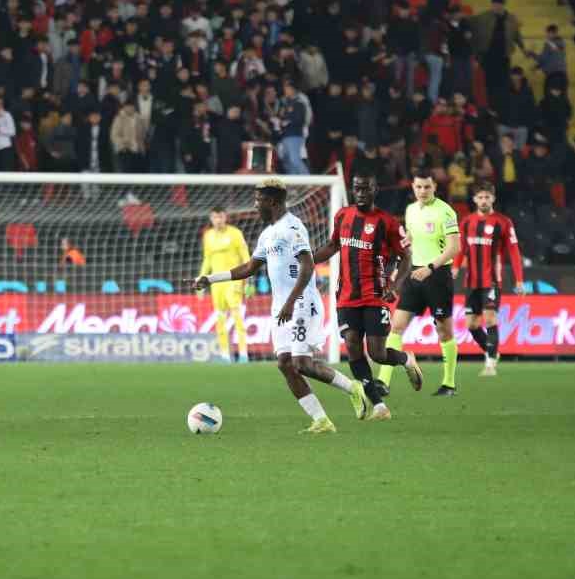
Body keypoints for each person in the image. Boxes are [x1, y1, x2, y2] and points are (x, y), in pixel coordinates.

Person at [193, 177, 370, 433]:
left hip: (301, 303)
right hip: (281, 307)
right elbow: (249, 268)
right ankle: (321, 420)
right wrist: (210, 278)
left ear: (273, 202)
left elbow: (308, 265)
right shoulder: (267, 234)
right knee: (285, 364)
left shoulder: (293, 228)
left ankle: (353, 387)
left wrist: (290, 301)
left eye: (259, 201)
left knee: (301, 363)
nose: (255, 206)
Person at [309, 167, 423, 419]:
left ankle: (406, 360)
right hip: (346, 296)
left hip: (375, 296)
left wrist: (394, 286)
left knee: (377, 353)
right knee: (352, 346)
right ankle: (379, 406)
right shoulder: (342, 216)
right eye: (356, 188)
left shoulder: (387, 222)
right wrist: (307, 261)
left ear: (375, 190)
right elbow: (332, 246)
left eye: (365, 188)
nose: (360, 193)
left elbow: (406, 257)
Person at [377, 173, 461, 396]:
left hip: (438, 275)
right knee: (396, 326)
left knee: (444, 331)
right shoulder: (411, 210)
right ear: (413, 187)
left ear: (434, 187)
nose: (423, 191)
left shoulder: (445, 211)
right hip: (415, 274)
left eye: (427, 187)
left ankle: (449, 383)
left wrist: (430, 268)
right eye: (419, 187)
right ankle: (383, 382)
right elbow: (412, 242)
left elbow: (454, 247)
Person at [452, 183, 527, 378]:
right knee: (472, 325)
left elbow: (514, 252)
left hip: (492, 280)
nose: (484, 201)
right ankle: (492, 351)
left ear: (493, 199)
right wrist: (454, 268)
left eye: (487, 197)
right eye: (480, 197)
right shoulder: (467, 222)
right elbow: (461, 249)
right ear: (474, 199)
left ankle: (490, 364)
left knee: (490, 318)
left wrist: (519, 281)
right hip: (471, 281)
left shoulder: (503, 222)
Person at [198, 206, 252, 364]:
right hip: (216, 283)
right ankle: (224, 355)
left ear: (225, 217)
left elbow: (245, 257)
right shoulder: (208, 236)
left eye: (220, 217)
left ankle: (243, 354)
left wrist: (248, 280)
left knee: (237, 317)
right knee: (220, 319)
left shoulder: (235, 233)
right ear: (211, 218)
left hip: (233, 281)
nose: (218, 220)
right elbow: (207, 259)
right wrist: (201, 280)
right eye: (215, 217)